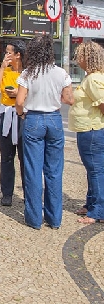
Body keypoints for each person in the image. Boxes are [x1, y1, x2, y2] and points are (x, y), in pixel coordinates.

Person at [15, 34, 73, 230]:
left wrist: (22, 114)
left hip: (34, 119)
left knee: (33, 169)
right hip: (54, 119)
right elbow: (68, 99)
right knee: (54, 171)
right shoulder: (61, 73)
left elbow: (20, 102)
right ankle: (54, 218)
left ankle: (34, 218)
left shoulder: (28, 74)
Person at [68, 41, 104, 225]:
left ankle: (99, 210)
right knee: (92, 170)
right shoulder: (90, 77)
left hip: (92, 129)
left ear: (88, 58)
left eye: (80, 56)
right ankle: (91, 203)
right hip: (87, 129)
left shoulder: (93, 79)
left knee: (96, 170)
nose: (77, 60)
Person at [0, 41, 26, 207]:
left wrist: (20, 93)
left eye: (9, 52)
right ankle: (7, 194)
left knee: (26, 159)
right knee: (7, 157)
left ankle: (28, 192)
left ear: (18, 54)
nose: (6, 55)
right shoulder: (6, 71)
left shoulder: (27, 73)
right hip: (6, 115)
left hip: (24, 115)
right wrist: (2, 67)